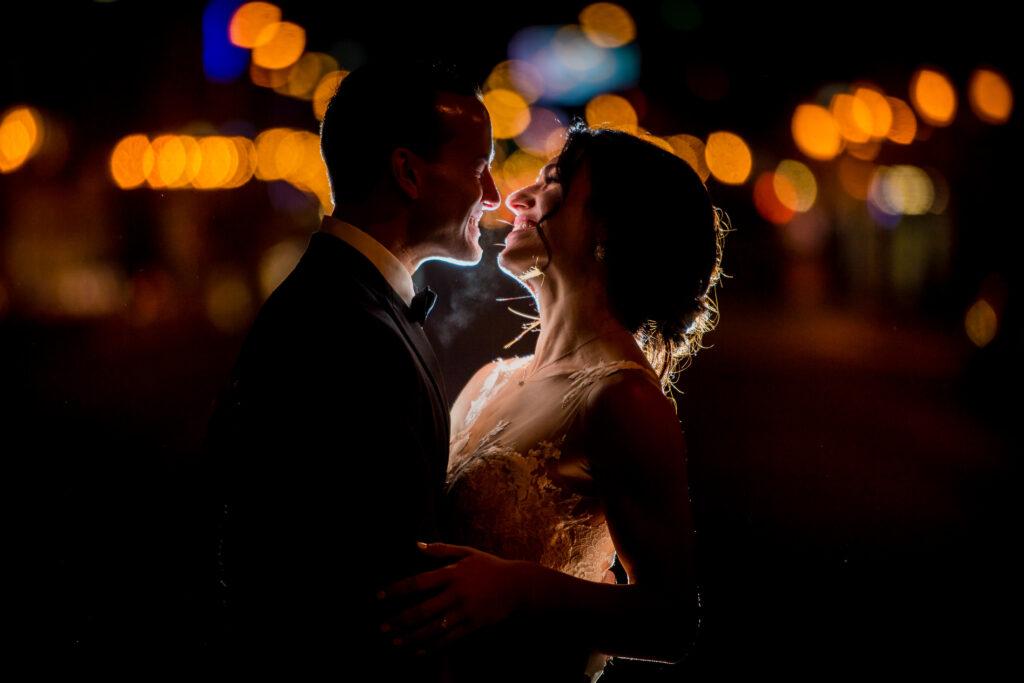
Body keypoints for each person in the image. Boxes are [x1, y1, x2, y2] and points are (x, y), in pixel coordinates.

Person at [380, 124, 728, 682]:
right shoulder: (491, 377)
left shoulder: (623, 397)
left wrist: (517, 587)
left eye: (553, 183)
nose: (517, 198)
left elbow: (671, 620)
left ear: (610, 229)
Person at [203, 59, 500, 674]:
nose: (493, 194)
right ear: (408, 174)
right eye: (479, 168)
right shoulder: (347, 331)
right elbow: (374, 592)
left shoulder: (346, 300)